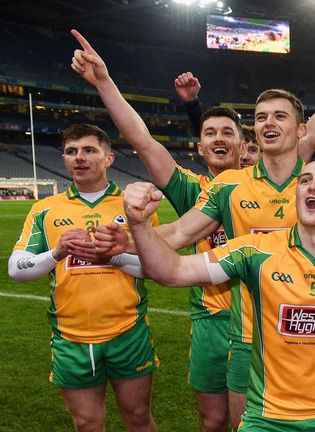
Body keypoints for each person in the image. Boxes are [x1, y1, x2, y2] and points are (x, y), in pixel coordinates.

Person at [70, 29, 246, 431]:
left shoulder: (266, 188)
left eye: (227, 133)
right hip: (211, 321)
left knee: (258, 417)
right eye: (210, 133)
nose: (218, 139)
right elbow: (143, 141)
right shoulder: (191, 190)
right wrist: (105, 83)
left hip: (258, 314)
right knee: (213, 421)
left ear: (242, 144)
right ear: (200, 148)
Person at [124, 158, 315, 431]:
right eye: (305, 180)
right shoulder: (255, 250)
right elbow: (173, 271)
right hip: (267, 419)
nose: (312, 187)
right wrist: (140, 224)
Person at [8, 124, 158, 432]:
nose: (80, 158)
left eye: (89, 150)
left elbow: (156, 268)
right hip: (70, 336)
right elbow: (15, 268)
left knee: (139, 419)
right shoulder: (45, 209)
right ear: (63, 158)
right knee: (86, 424)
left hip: (128, 331)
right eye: (71, 151)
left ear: (109, 158)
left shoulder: (134, 206)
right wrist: (56, 253)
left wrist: (112, 256)